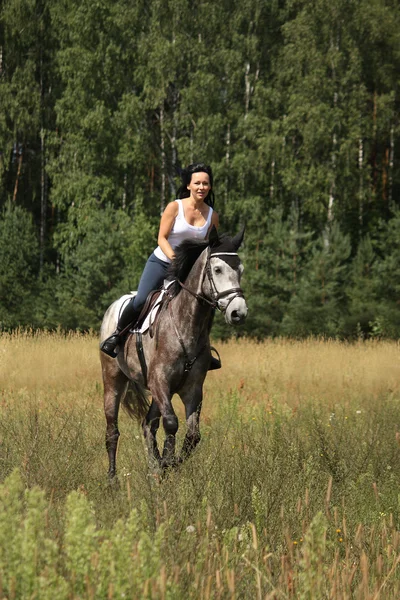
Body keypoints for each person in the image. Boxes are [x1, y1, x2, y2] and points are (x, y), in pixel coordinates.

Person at [101, 163, 220, 367]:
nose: (202, 187)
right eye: (197, 183)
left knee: (208, 305)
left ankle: (203, 350)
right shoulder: (175, 207)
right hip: (163, 261)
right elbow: (162, 238)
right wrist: (177, 261)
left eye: (205, 183)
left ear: (210, 187)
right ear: (189, 186)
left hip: (191, 272)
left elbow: (211, 247)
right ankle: (116, 337)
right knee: (140, 301)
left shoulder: (212, 216)